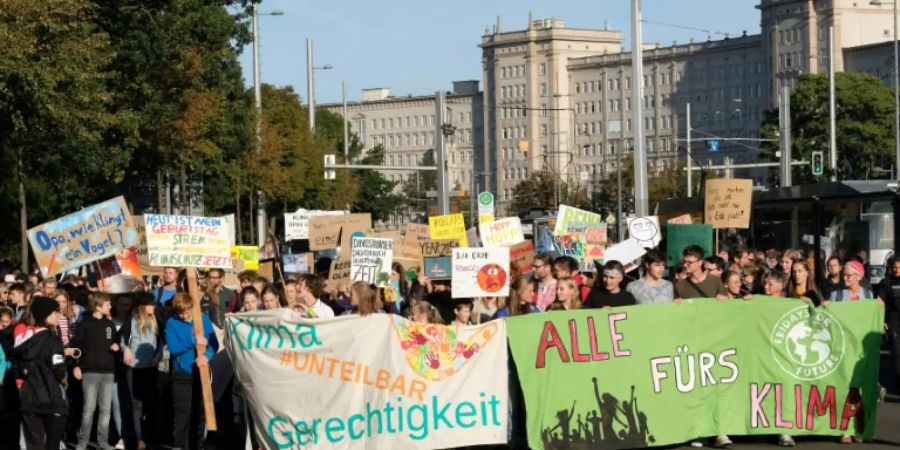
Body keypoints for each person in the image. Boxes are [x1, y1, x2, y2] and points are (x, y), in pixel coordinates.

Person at [13, 296, 68, 450]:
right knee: (52, 445)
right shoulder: (53, 339)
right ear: (45, 315)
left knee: (34, 445)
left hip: (28, 399)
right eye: (55, 312)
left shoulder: (23, 338)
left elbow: (16, 367)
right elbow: (58, 368)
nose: (59, 316)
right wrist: (63, 378)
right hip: (52, 399)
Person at [166, 293, 218, 450]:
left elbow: (213, 344)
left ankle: (198, 445)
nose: (184, 315)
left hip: (201, 372)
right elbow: (174, 349)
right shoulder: (171, 322)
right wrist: (194, 340)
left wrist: (206, 356)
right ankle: (181, 446)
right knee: (183, 413)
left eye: (187, 311)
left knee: (199, 413)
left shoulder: (203, 319)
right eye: (180, 312)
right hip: (182, 373)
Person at [71, 293, 121, 450]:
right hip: (90, 371)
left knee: (106, 409)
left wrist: (116, 347)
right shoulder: (85, 324)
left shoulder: (110, 324)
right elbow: (77, 347)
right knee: (89, 408)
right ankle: (83, 441)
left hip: (108, 371)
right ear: (98, 306)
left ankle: (103, 441)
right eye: (107, 304)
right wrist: (76, 365)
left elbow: (115, 342)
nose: (110, 307)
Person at [120, 293, 162, 450]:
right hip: (134, 368)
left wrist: (157, 357)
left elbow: (160, 342)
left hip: (150, 367)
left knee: (151, 403)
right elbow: (123, 339)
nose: (154, 307)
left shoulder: (156, 321)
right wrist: (125, 350)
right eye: (151, 304)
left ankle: (150, 436)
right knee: (136, 404)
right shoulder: (132, 321)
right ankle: (140, 438)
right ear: (143, 306)